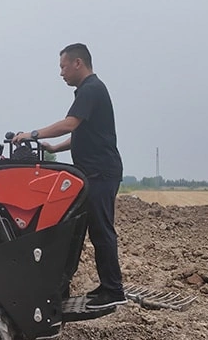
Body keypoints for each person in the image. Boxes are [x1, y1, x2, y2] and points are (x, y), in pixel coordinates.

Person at [11, 43, 126, 310]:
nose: (61, 73)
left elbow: (70, 124)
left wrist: (31, 134)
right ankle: (92, 287)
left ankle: (113, 290)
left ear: (78, 63)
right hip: (94, 173)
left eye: (63, 67)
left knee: (101, 230)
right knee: (84, 229)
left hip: (101, 173)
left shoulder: (91, 89)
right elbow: (81, 134)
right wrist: (54, 148)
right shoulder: (90, 90)